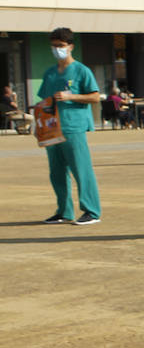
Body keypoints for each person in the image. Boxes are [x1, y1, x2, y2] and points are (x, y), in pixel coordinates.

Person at [36, 28, 103, 225]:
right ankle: (64, 211)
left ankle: (92, 210)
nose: (57, 49)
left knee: (81, 169)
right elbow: (44, 101)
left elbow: (95, 97)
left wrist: (71, 96)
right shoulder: (50, 73)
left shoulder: (82, 71)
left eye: (61, 46)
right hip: (52, 128)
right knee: (56, 171)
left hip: (74, 127)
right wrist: (38, 125)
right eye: (54, 46)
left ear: (70, 46)